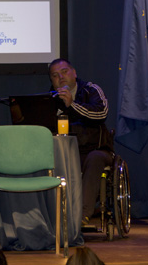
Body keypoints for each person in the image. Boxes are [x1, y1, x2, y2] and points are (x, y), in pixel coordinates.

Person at [48, 58, 111, 226]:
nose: (60, 77)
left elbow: (101, 113)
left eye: (64, 72)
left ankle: (81, 215)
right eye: (55, 75)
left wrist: (72, 105)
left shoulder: (91, 90)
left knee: (95, 159)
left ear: (74, 73)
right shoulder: (50, 99)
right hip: (66, 152)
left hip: (95, 150)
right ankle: (53, 215)